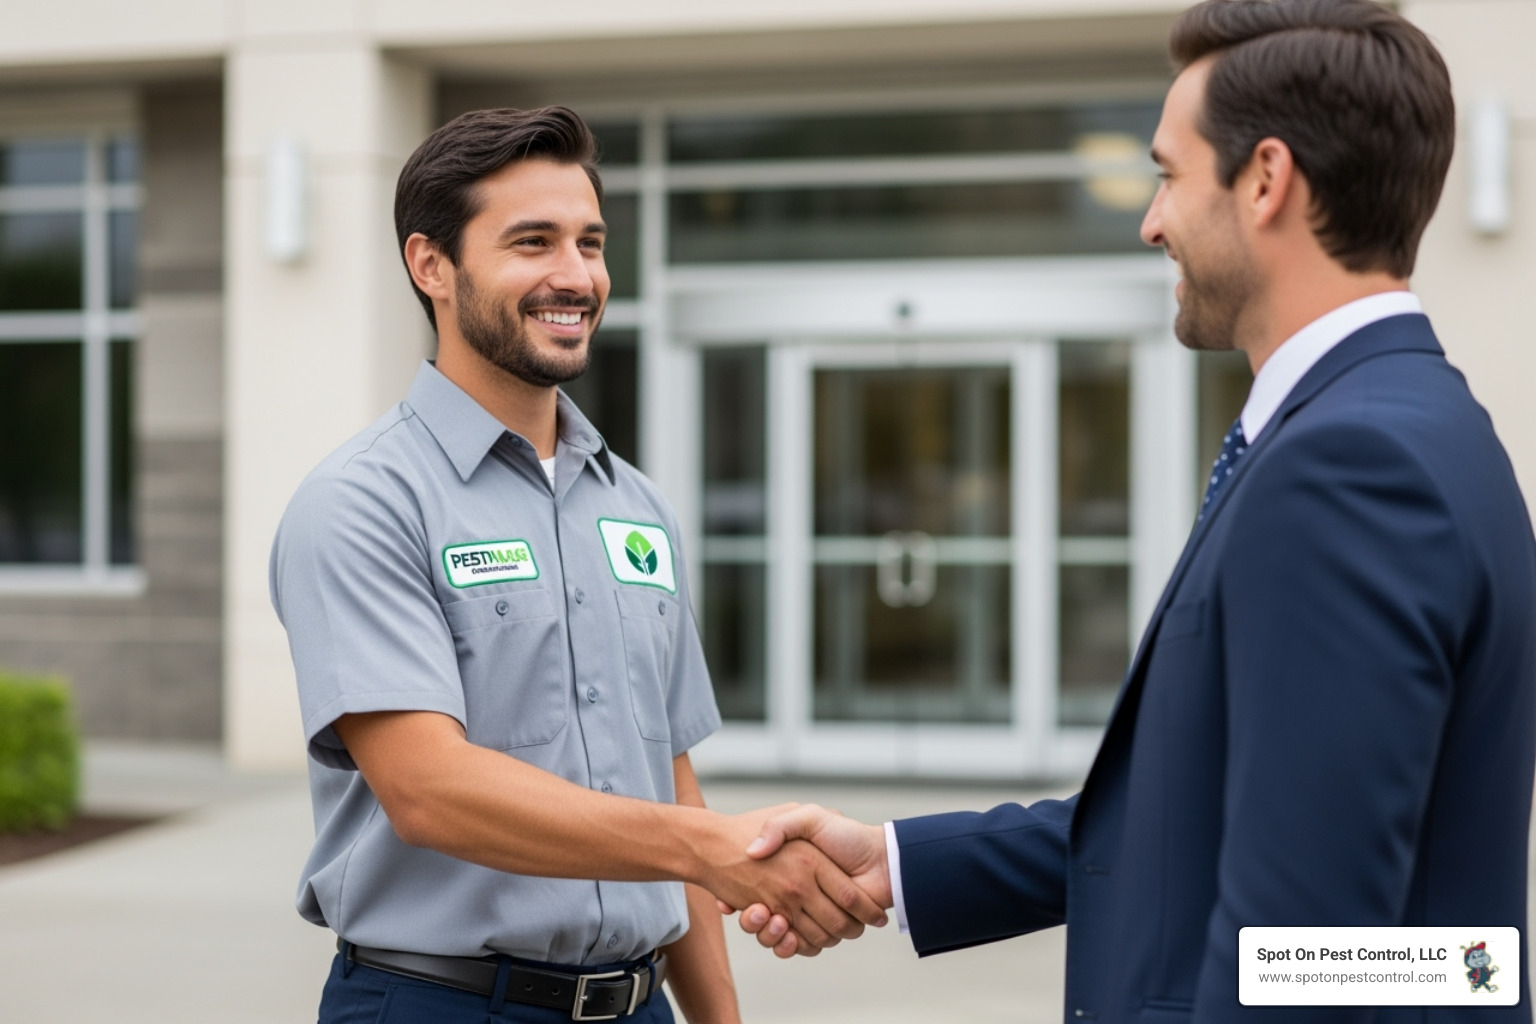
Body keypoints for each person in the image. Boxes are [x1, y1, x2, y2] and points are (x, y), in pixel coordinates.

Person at [732, 1, 1536, 1020]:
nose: (1151, 219)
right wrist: (896, 862)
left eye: (1167, 173)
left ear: (1266, 180)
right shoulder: (1420, 423)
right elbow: (1203, 828)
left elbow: (1307, 953)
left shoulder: (1349, 464)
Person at [269, 106, 884, 1024]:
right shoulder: (363, 503)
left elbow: (664, 773)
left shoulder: (635, 506)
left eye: (590, 243)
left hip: (637, 1004)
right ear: (430, 265)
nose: (576, 276)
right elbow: (428, 789)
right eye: (533, 242)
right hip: (441, 1003)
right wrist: (701, 846)